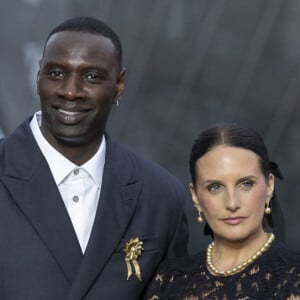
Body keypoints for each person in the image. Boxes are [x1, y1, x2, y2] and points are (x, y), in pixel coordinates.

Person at [0, 16, 188, 299]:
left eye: (92, 77)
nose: (71, 91)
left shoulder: (160, 196)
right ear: (39, 76)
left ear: (119, 85)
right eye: (56, 73)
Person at [143, 123, 300, 299]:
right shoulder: (168, 279)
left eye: (246, 184)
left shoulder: (294, 276)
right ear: (195, 196)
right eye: (215, 187)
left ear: (269, 186)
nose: (232, 203)